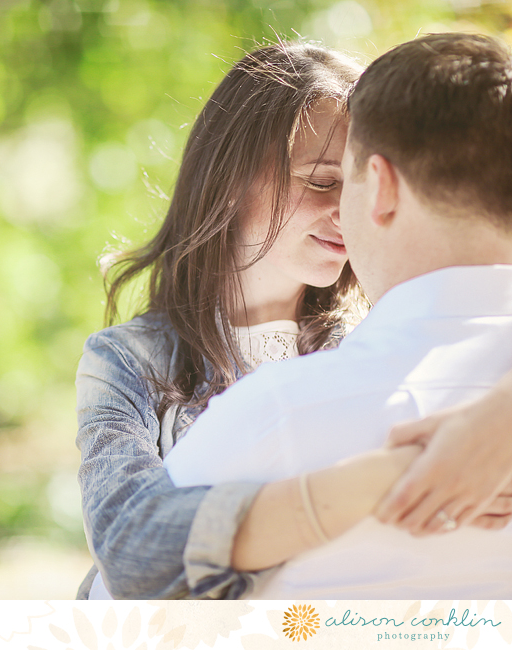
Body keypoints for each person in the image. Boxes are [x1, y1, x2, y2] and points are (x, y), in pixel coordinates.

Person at [76, 37, 512, 601]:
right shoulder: (130, 359)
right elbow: (128, 546)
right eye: (322, 181)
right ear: (229, 176)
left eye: (352, 182)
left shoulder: (381, 347)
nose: (344, 210)